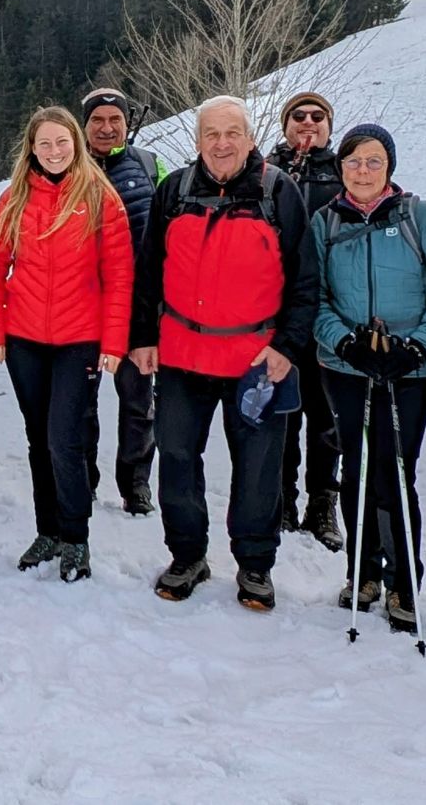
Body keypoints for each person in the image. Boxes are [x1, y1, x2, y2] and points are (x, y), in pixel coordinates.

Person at [131, 96, 318, 610]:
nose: (221, 143)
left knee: (258, 467)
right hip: (182, 355)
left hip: (256, 361)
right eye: (211, 134)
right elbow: (148, 271)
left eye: (232, 133)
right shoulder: (175, 191)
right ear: (197, 142)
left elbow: (305, 279)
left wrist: (287, 347)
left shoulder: (278, 192)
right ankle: (187, 555)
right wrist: (142, 336)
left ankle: (255, 564)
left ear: (250, 138)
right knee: (176, 457)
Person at [311, 124, 426, 631]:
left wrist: (418, 346)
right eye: (353, 161)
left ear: (389, 166)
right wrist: (343, 342)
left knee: (395, 472)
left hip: (408, 367)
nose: (363, 171)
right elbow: (314, 296)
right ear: (341, 168)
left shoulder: (418, 216)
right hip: (346, 366)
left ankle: (403, 580)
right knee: (356, 468)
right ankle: (363, 571)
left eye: (374, 161)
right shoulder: (326, 222)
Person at [0, 108, 133, 579]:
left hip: (79, 340)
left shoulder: (99, 196)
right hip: (24, 339)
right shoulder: (15, 197)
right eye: (44, 143)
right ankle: (47, 530)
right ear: (31, 148)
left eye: (62, 142)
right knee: (38, 438)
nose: (54, 151)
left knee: (64, 439)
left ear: (76, 144)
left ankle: (75, 537)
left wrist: (114, 342)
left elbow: (119, 275)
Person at [81, 88, 165, 516]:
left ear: (127, 122)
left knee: (137, 401)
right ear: (84, 125)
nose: (106, 127)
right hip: (83, 307)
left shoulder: (150, 166)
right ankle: (83, 480)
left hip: (136, 306)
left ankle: (136, 485)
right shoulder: (68, 167)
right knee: (80, 402)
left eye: (115, 119)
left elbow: (169, 228)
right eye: (97, 119)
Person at [268, 90, 344, 551]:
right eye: (299, 115)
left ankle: (322, 502)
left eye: (318, 116)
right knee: (282, 411)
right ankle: (281, 499)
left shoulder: (345, 171)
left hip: (332, 311)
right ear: (286, 123)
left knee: (326, 416)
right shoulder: (267, 170)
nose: (308, 122)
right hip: (279, 311)